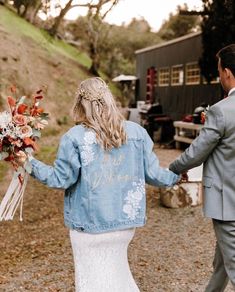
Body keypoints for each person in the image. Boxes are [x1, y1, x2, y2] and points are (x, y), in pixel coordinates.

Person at [21, 77, 179, 291]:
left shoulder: (74, 137)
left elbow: (60, 179)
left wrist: (28, 163)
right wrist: (177, 175)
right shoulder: (136, 133)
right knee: (119, 276)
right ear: (109, 99)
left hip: (88, 226)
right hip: (124, 224)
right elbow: (154, 174)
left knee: (91, 282)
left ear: (80, 104)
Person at [169, 44, 235, 291]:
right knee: (222, 263)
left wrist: (173, 168)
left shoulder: (221, 111)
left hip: (228, 201)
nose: (220, 76)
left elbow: (196, 153)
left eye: (219, 71)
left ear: (227, 72)